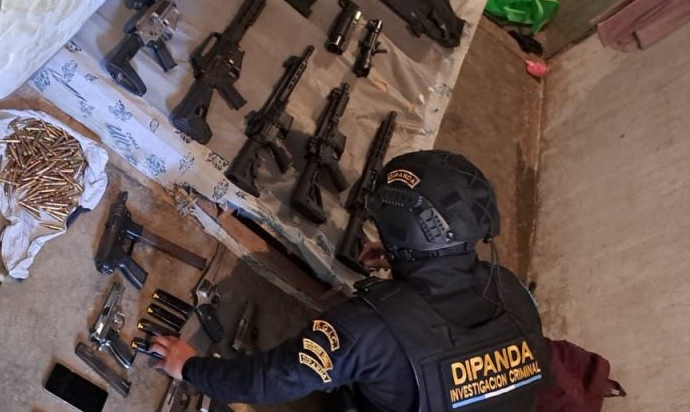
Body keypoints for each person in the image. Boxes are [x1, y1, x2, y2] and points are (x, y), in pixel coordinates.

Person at [150, 150, 549, 411]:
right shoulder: (511, 289)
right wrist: (401, 262)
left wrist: (191, 367)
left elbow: (271, 380)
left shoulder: (368, 328)